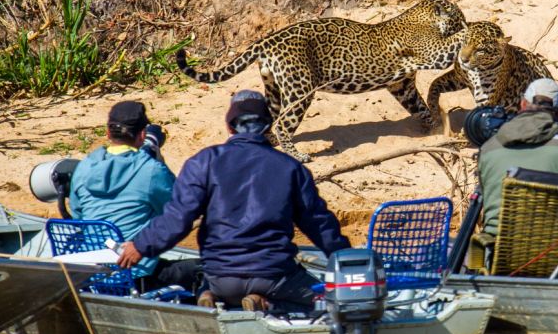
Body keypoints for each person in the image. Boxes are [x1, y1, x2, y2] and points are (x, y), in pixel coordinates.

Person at [116, 90, 351, 312]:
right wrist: (346, 257)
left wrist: (141, 246)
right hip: (275, 276)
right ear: (268, 126)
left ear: (229, 126)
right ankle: (266, 303)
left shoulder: (204, 162)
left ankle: (209, 293)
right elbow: (318, 223)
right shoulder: (290, 168)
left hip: (221, 276)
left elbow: (178, 218)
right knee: (331, 304)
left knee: (208, 281)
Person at [477, 78, 558, 239]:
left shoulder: (489, 147)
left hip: (497, 248)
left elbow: (485, 196)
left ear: (522, 104)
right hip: (557, 249)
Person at [69, 101, 175, 277]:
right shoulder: (151, 170)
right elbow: (177, 210)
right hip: (136, 273)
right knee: (197, 270)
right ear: (142, 134)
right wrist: (158, 160)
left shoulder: (84, 166)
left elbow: (77, 215)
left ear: (108, 132)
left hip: (93, 273)